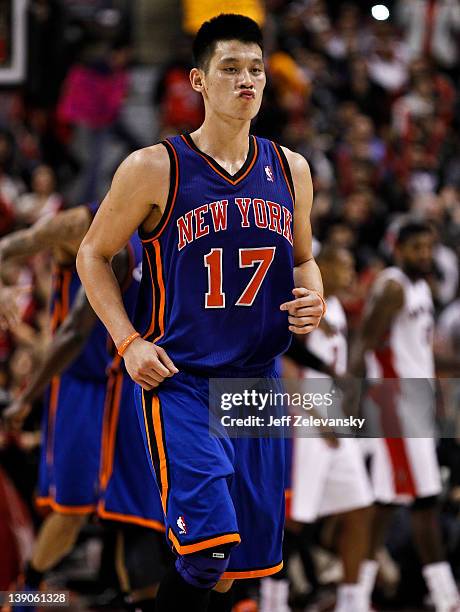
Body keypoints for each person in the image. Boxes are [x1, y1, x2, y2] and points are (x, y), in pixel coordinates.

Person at [76, 13, 324, 612]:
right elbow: (92, 253)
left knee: (234, 571)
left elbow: (305, 261)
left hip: (257, 386)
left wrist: (313, 297)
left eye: (257, 70)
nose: (248, 81)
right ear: (198, 81)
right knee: (206, 552)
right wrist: (128, 340)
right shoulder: (152, 167)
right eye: (231, 68)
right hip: (183, 380)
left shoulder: (291, 169)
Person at [349, 220, 460, 612]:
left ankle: (356, 595)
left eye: (429, 247)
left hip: (416, 405)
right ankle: (447, 597)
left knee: (385, 503)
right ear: (398, 249)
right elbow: (363, 341)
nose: (425, 255)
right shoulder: (393, 285)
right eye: (416, 248)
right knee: (425, 501)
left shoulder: (420, 288)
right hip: (394, 406)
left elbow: (418, 352)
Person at [262, 246, 374, 612]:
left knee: (359, 508)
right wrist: (314, 415)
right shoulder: (304, 303)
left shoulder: (336, 308)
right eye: (344, 263)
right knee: (293, 519)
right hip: (309, 425)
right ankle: (271, 601)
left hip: (335, 424)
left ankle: (352, 602)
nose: (351, 271)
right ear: (321, 265)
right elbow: (287, 366)